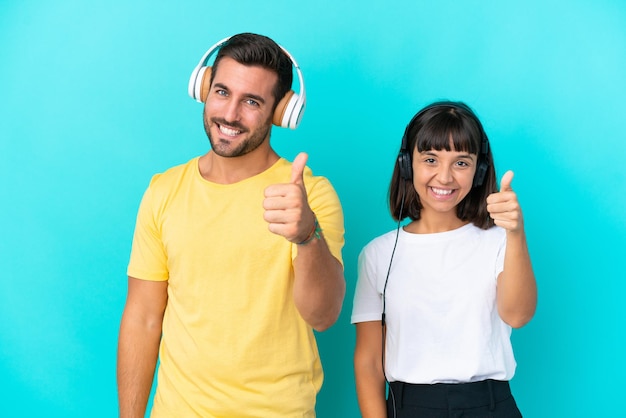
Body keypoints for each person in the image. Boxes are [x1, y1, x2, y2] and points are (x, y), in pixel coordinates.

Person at [117, 33, 345, 418]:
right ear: (203, 88)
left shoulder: (311, 195)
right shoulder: (163, 190)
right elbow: (142, 317)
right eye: (221, 92)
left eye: (252, 101)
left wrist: (307, 235)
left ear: (280, 111)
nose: (230, 114)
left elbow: (323, 317)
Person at [351, 101, 537, 417]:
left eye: (461, 163)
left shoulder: (499, 241)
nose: (445, 177)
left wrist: (515, 233)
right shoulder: (377, 254)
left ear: (479, 171)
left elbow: (517, 315)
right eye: (431, 159)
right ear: (408, 165)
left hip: (489, 405)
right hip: (410, 406)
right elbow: (369, 362)